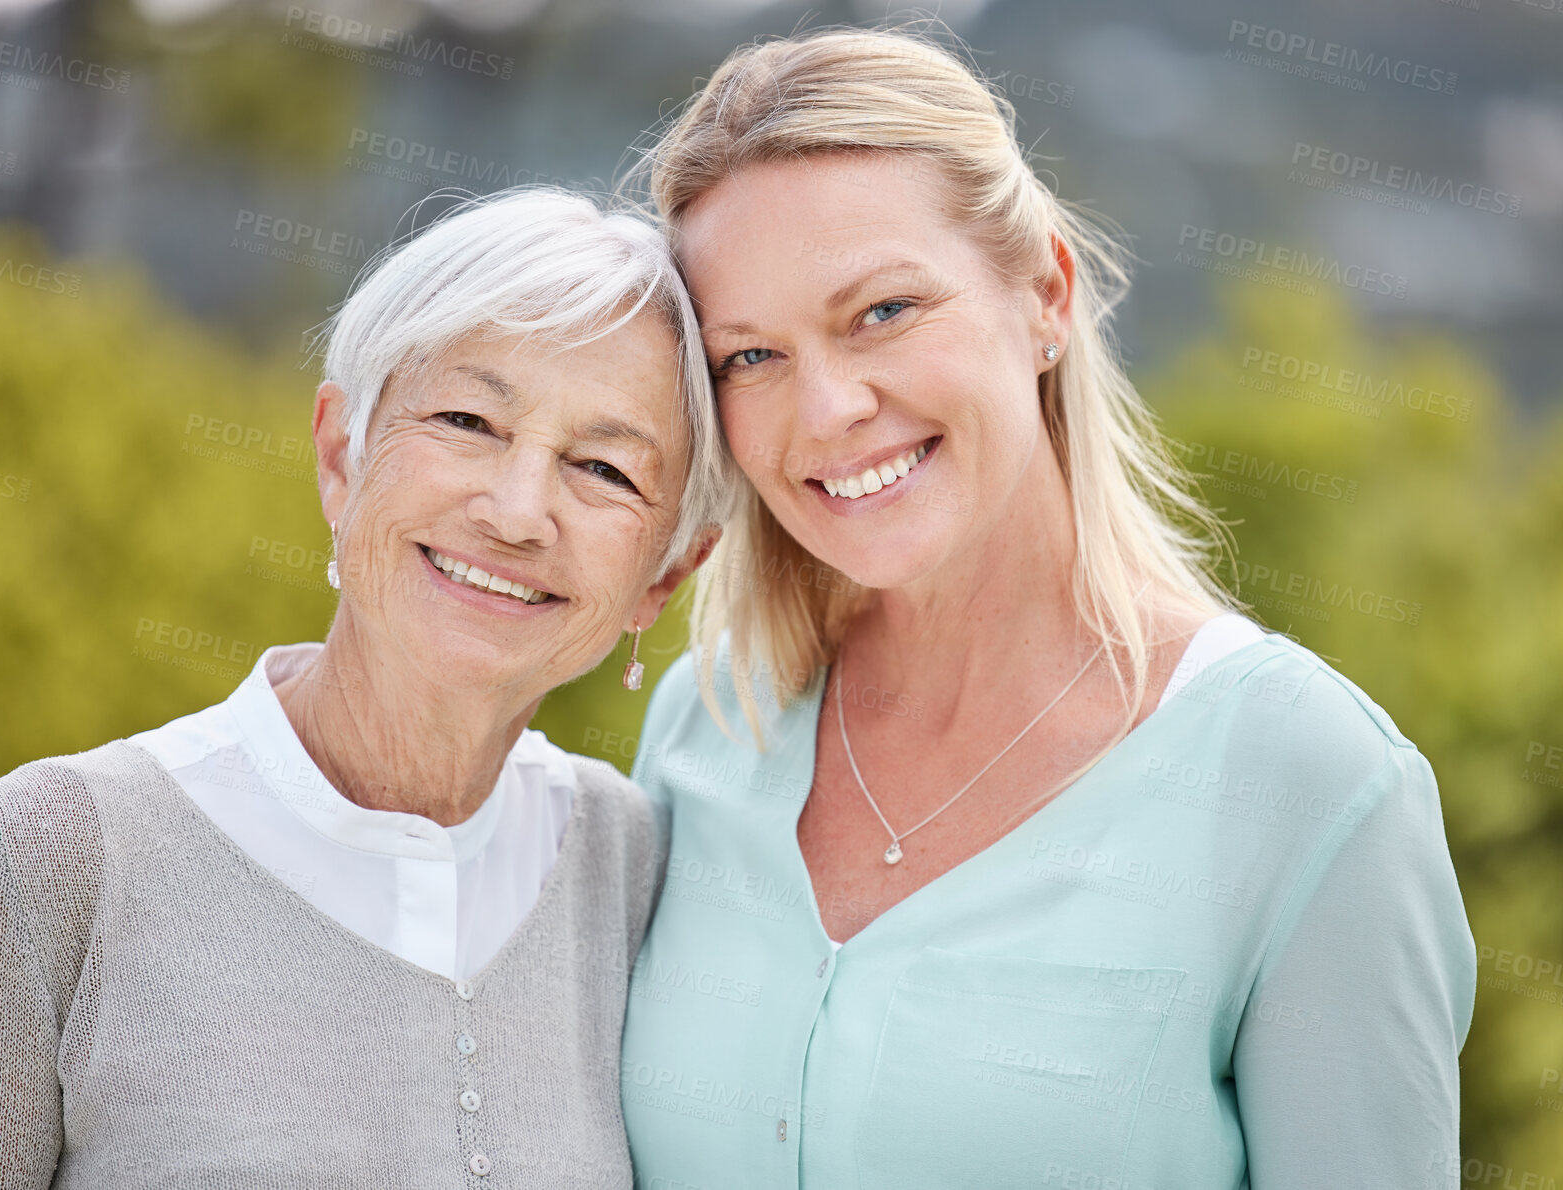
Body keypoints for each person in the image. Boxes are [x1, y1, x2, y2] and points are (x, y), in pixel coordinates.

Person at [617, 27, 1475, 1190]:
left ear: (1045, 296)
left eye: (882, 311)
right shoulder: (704, 726)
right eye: (750, 356)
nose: (826, 408)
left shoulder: (1307, 778)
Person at [0, 187, 731, 1189]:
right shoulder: (55, 853)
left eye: (603, 469)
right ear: (342, 453)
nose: (516, 510)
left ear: (667, 574)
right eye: (467, 418)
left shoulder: (638, 868)